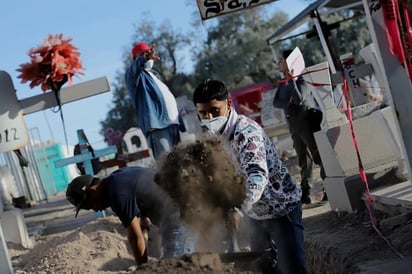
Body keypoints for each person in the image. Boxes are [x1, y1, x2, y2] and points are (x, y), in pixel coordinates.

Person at [193, 79, 308, 274]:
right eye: (203, 113)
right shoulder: (218, 138)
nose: (209, 117)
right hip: (256, 213)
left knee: (294, 269)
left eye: (215, 110)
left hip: (281, 208)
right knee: (263, 268)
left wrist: (239, 208)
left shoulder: (246, 133)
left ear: (229, 104)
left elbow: (257, 175)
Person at [66, 166, 184, 266]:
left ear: (93, 191)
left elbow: (134, 237)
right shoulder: (117, 176)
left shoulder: (116, 194)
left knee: (173, 265)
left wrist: (143, 269)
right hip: (180, 210)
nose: (94, 209)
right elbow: (140, 202)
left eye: (89, 205)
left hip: (177, 219)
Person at [273, 49, 326, 205]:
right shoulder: (283, 83)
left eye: (281, 60)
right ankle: (306, 193)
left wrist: (291, 82)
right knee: (303, 161)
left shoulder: (302, 80)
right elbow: (277, 102)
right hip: (294, 126)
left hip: (307, 124)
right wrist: (288, 97)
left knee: (319, 158)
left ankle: (328, 189)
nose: (278, 63)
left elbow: (299, 99)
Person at [125, 42, 181, 159]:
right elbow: (134, 68)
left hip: (173, 124)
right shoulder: (134, 77)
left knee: (181, 163)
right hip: (158, 127)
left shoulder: (154, 75)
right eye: (143, 54)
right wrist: (143, 59)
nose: (148, 56)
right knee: (167, 166)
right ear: (136, 58)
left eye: (148, 53)